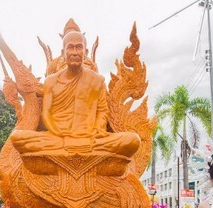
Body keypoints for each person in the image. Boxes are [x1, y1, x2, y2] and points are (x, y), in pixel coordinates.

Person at [10, 30, 139, 157]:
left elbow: (102, 111)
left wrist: (96, 131)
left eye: (79, 47)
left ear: (85, 53)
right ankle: (87, 154)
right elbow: (46, 113)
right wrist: (58, 132)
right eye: (70, 48)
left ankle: (75, 151)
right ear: (63, 53)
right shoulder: (51, 81)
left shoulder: (97, 81)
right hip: (58, 138)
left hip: (90, 138)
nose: (75, 52)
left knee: (132, 140)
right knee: (17, 137)